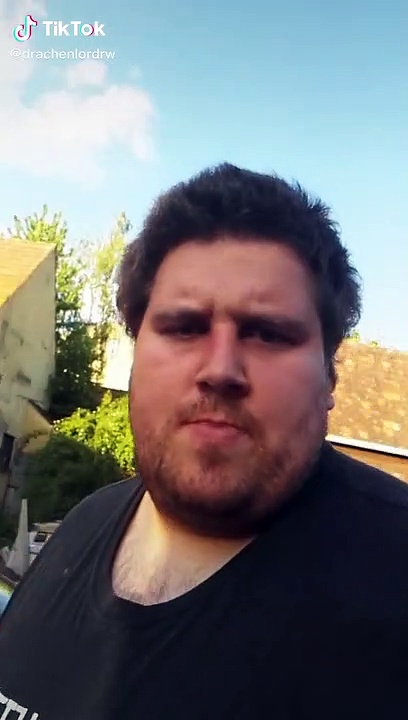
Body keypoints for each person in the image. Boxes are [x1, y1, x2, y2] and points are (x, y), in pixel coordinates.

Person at [0, 163, 407, 720]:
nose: (220, 369)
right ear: (136, 356)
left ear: (329, 377)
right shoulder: (79, 529)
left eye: (268, 333)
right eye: (185, 327)